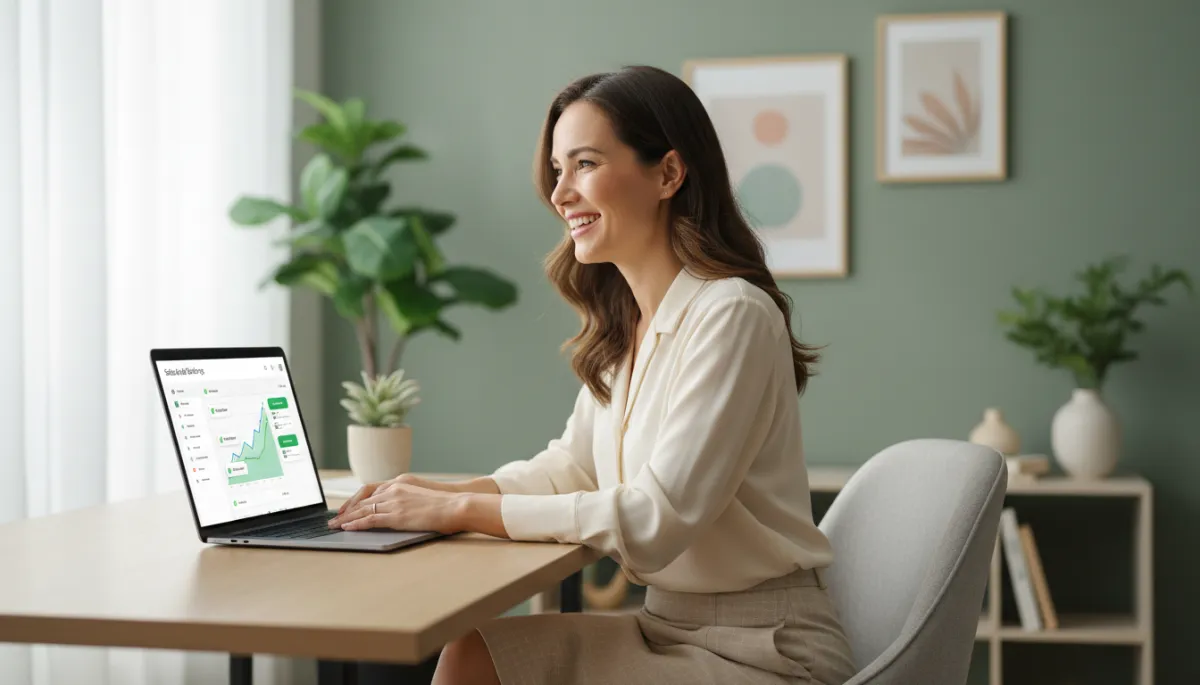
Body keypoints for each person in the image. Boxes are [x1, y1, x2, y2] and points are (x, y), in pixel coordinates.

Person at [328, 65, 857, 685]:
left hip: (767, 648)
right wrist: (439, 494)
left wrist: (459, 512)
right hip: (665, 625)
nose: (560, 194)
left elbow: (653, 522)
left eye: (584, 164)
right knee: (473, 654)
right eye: (558, 171)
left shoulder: (732, 314)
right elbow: (570, 468)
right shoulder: (626, 327)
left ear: (668, 173)